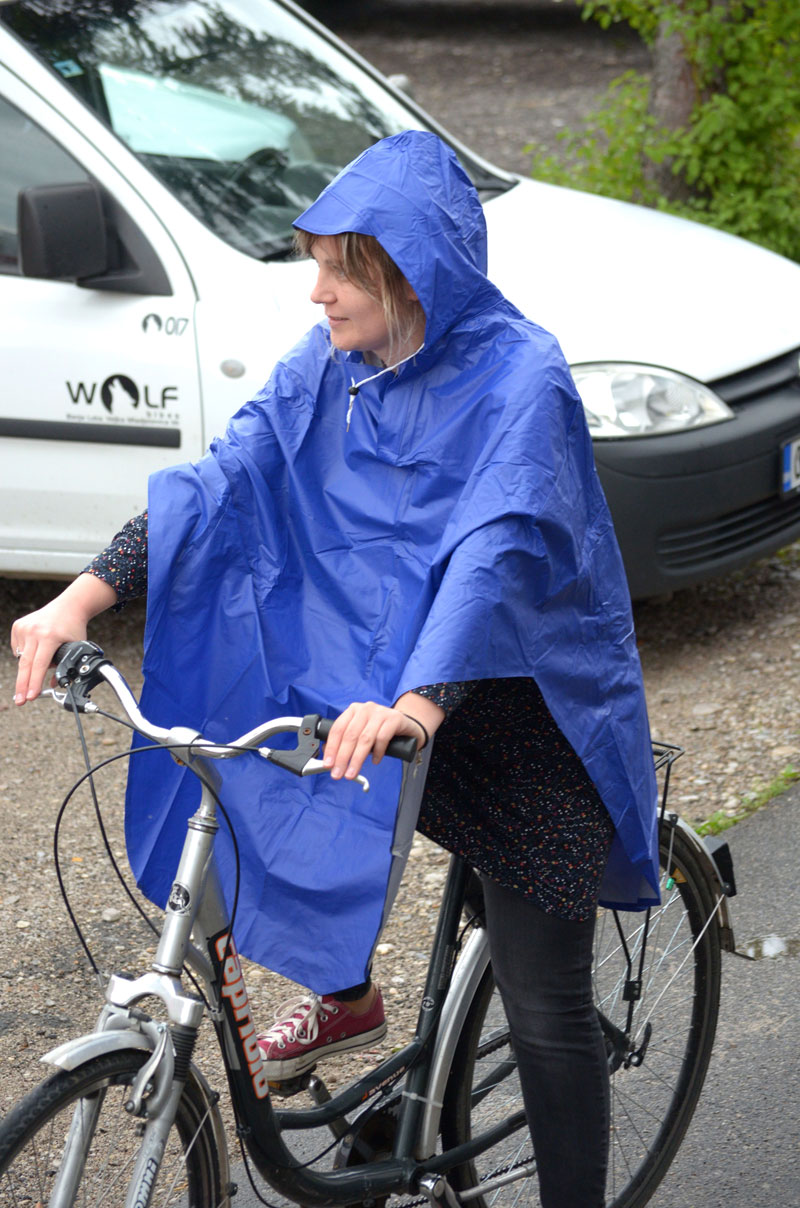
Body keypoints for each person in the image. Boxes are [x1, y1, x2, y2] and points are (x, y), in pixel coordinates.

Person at [11, 130, 659, 1208]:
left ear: (408, 269)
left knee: (544, 1004)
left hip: (518, 710)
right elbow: (234, 474)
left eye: (335, 266)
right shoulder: (329, 364)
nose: (313, 292)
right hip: (384, 687)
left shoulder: (521, 376)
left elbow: (494, 553)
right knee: (237, 745)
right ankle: (343, 987)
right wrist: (86, 590)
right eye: (312, 262)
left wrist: (417, 698)